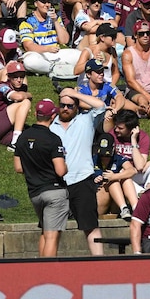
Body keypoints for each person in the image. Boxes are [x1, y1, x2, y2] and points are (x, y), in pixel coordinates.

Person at [50, 88, 107, 255]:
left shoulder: (85, 120)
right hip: (58, 183)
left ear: (77, 107)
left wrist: (74, 94)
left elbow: (100, 106)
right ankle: (48, 266)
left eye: (70, 105)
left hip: (82, 181)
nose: (66, 108)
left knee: (90, 226)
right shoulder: (51, 125)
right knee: (52, 230)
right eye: (62, 105)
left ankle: (99, 264)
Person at [14, 99, 69, 257]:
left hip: (35, 192)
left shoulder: (22, 138)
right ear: (53, 116)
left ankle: (40, 269)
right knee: (52, 235)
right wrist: (66, 166)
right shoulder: (53, 139)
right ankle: (48, 273)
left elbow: (18, 168)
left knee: (45, 232)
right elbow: (60, 171)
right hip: (54, 191)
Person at [18, 0, 80, 78]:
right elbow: (28, 46)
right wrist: (47, 49)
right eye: (43, 2)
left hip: (56, 53)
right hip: (39, 54)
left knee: (79, 54)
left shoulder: (55, 18)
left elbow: (64, 40)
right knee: (29, 62)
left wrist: (55, 21)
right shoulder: (27, 21)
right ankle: (59, 68)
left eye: (49, 2)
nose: (47, 5)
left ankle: (51, 68)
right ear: (35, 4)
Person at [0, 61, 32, 149]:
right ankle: (15, 142)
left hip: (5, 127)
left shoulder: (22, 87)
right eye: (15, 77)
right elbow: (18, 96)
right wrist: (28, 95)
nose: (19, 80)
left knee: (28, 139)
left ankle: (14, 140)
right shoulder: (2, 85)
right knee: (26, 102)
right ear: (8, 77)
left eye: (22, 77)